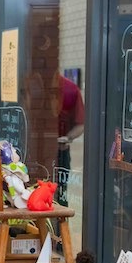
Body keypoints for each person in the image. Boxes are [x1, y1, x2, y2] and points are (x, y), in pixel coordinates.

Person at [54, 72, 85, 206]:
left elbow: (80, 124)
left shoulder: (70, 90)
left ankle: (60, 226)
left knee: (60, 194)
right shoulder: (33, 86)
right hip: (37, 152)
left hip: (61, 153)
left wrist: (67, 138)